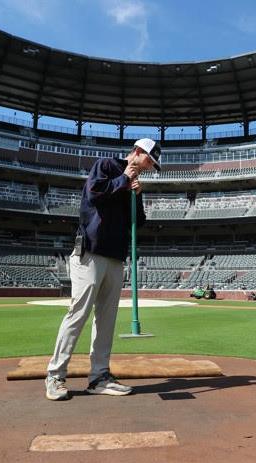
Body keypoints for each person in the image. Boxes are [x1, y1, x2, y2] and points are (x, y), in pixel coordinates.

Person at [45, 138, 161, 401]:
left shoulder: (133, 183)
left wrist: (136, 196)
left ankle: (99, 376)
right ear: (138, 152)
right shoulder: (107, 165)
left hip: (116, 256)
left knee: (106, 321)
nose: (149, 167)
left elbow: (138, 222)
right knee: (78, 314)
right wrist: (123, 179)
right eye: (149, 161)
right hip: (91, 252)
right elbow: (94, 193)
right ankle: (55, 375)